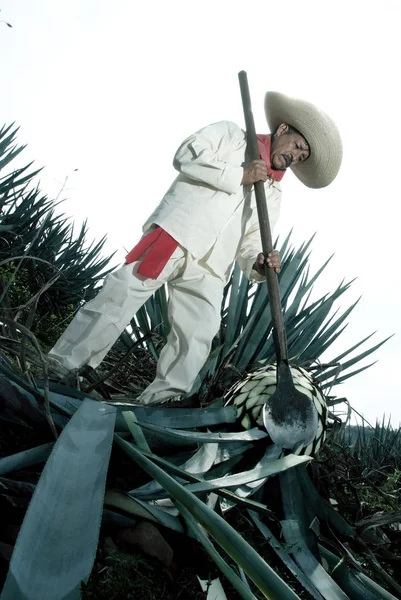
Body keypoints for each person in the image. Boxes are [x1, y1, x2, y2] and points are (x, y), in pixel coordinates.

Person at [48, 91, 342, 404]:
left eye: (302, 157)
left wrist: (257, 262)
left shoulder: (273, 192)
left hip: (213, 266)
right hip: (177, 233)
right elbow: (187, 155)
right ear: (283, 129)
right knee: (119, 297)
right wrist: (240, 174)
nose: (295, 157)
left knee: (199, 332)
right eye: (297, 146)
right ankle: (63, 366)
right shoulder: (230, 136)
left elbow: (252, 240)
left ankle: (161, 401)